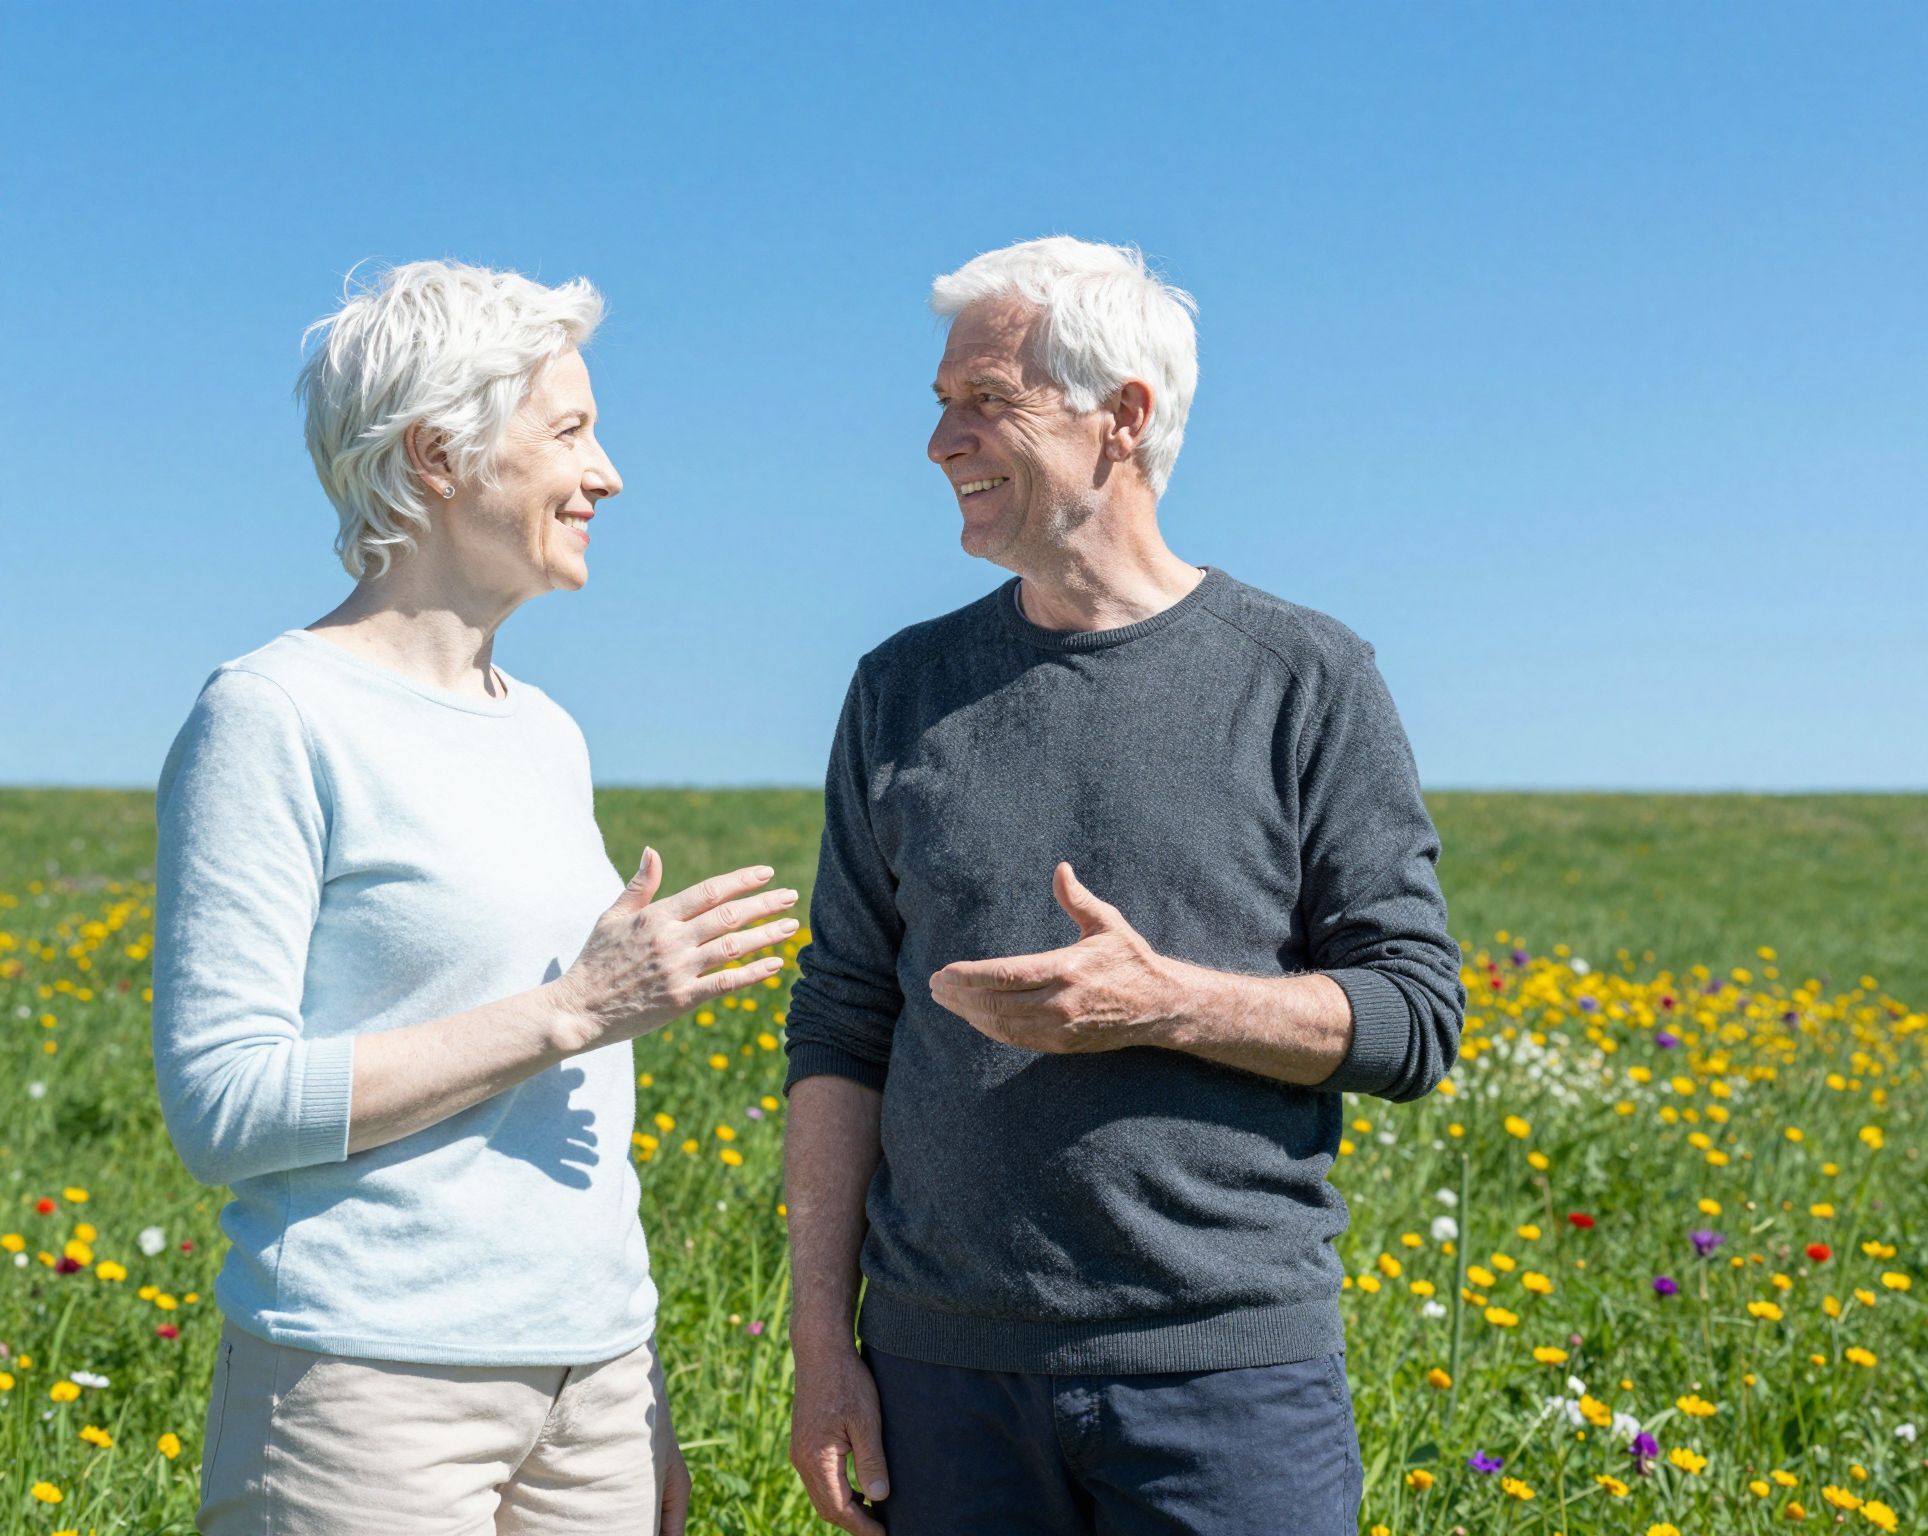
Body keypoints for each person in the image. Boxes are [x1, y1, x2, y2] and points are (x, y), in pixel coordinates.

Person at [782, 236, 1465, 1535]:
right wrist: (823, 1345)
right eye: (940, 401)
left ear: (1123, 418)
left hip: (1228, 1383)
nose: (939, 440)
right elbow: (841, 1025)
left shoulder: (1305, 679)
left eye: (986, 400)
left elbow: (1413, 1019)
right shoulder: (898, 691)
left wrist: (1166, 1003)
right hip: (940, 1379)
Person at [153, 260, 796, 1535]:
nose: (607, 475)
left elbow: (574, 1117)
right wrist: (569, 1011)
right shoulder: (274, 715)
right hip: (363, 1391)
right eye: (569, 432)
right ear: (437, 455)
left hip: (591, 1390)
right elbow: (221, 1105)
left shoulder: (547, 732)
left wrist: (633, 1380)